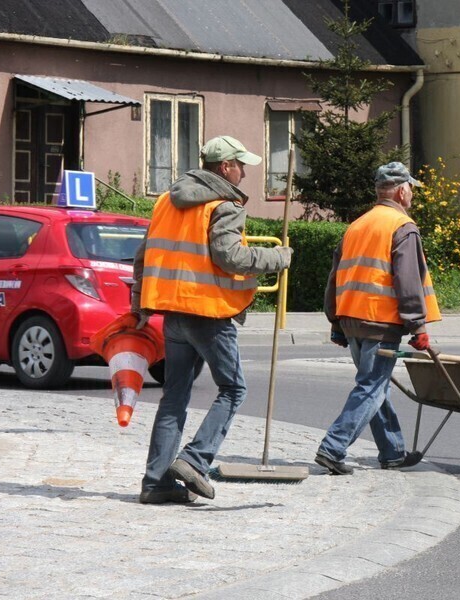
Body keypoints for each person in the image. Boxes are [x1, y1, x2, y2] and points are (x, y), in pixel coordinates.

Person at [131, 135, 293, 504]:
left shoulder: (165, 202)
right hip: (208, 312)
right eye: (242, 166)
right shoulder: (224, 204)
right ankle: (195, 460)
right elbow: (229, 257)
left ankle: (155, 483)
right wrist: (277, 258)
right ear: (225, 168)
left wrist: (138, 305)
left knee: (174, 397)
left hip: (172, 312)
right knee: (234, 389)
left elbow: (143, 256)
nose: (244, 173)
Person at [315, 161, 441, 475]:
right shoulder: (402, 226)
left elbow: (335, 277)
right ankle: (333, 447)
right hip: (380, 323)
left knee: (376, 387)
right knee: (371, 387)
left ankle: (392, 452)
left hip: (351, 319)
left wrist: (335, 322)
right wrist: (417, 325)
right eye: (411, 188)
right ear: (401, 191)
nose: (411, 194)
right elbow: (408, 280)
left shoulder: (357, 225)